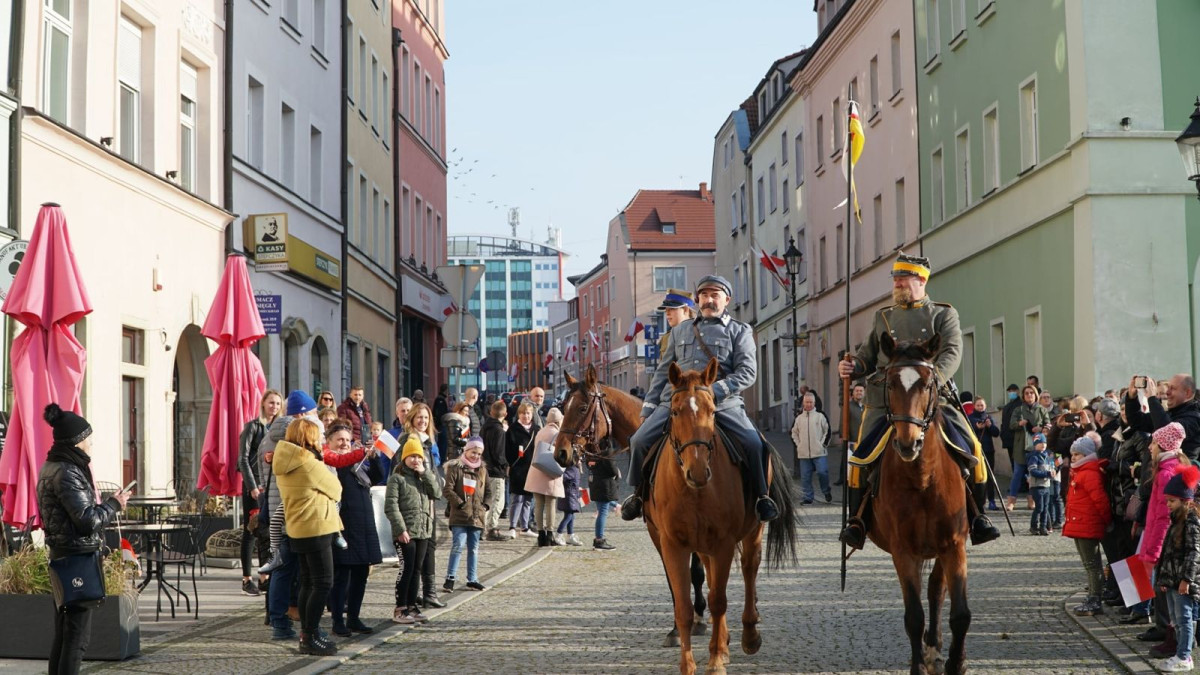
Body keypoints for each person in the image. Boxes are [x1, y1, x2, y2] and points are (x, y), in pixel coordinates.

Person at [837, 254, 999, 548]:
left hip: (931, 398)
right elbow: (867, 355)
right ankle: (857, 522)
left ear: (921, 280)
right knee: (860, 457)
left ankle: (978, 517)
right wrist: (853, 367)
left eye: (903, 278)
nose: (897, 284)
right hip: (885, 400)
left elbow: (951, 352)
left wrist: (930, 379)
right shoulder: (883, 316)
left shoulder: (943, 315)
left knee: (972, 447)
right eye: (896, 279)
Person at [623, 275, 779, 522]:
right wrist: (648, 408)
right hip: (677, 402)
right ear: (697, 300)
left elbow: (747, 372)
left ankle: (761, 496)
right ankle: (638, 495)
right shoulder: (681, 330)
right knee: (639, 440)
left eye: (715, 295)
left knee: (754, 444)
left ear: (726, 299)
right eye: (705, 296)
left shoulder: (740, 331)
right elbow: (664, 371)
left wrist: (713, 392)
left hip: (722, 403)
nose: (709, 300)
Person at [37, 403, 130, 675]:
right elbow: (87, 520)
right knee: (76, 638)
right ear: (77, 441)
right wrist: (114, 504)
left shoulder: (53, 466)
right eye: (88, 439)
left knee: (65, 634)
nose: (91, 444)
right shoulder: (67, 472)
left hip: (64, 555)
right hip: (76, 558)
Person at [272, 418, 342, 657]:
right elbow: (336, 489)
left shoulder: (284, 461)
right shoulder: (309, 463)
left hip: (297, 530)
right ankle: (310, 636)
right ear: (308, 438)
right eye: (318, 436)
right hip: (316, 527)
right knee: (323, 582)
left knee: (308, 582)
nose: (321, 440)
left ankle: (307, 633)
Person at [258, 390, 323, 639]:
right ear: (303, 415)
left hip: (276, 510)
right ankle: (287, 622)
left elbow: (264, 478)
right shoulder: (298, 438)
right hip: (296, 510)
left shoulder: (268, 438)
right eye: (313, 414)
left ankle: (278, 620)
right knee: (296, 571)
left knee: (283, 569)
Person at [324, 419, 382, 637]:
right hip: (343, 523)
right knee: (342, 575)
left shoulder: (358, 460)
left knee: (361, 573)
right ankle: (338, 620)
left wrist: (374, 459)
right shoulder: (329, 463)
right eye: (339, 440)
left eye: (348, 440)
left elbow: (376, 478)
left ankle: (354, 617)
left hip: (364, 522)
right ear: (329, 441)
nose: (344, 444)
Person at [1143, 422, 1192, 657]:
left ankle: (1169, 634)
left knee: (1164, 588)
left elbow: (1163, 515)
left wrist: (1153, 548)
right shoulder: (1169, 466)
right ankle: (1168, 631)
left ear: (1163, 445)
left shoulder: (1165, 472)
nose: (1150, 447)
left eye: (1153, 442)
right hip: (1163, 537)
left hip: (1163, 539)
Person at [391, 402, 445, 609]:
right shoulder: (408, 439)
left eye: (426, 418)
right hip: (412, 502)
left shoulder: (428, 441)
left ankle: (428, 592)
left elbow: (433, 469)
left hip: (427, 499)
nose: (423, 421)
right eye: (419, 417)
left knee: (428, 547)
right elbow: (401, 470)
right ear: (411, 419)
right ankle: (407, 603)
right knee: (413, 559)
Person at [385, 437, 440, 625]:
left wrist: (426, 474)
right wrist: (400, 529)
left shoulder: (423, 477)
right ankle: (400, 607)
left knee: (416, 569)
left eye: (419, 456)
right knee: (406, 569)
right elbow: (391, 506)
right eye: (412, 456)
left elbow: (437, 493)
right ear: (404, 458)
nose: (415, 460)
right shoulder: (397, 479)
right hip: (406, 531)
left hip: (423, 530)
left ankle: (411, 605)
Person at [1154, 464, 1200, 672]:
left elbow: (1194, 553)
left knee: (1184, 618)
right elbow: (1169, 554)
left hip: (1183, 582)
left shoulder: (1191, 522)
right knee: (1176, 619)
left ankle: (1184, 656)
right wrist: (1165, 579)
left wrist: (1186, 580)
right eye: (1167, 501)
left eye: (1172, 501)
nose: (1168, 505)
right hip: (1173, 580)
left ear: (1185, 500)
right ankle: (1181, 652)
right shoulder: (1176, 520)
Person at [238, 389, 282, 597]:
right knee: (251, 531)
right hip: (254, 488)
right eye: (271, 402)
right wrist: (252, 486)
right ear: (263, 403)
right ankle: (247, 579)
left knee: (268, 531)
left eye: (277, 403)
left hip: (272, 487)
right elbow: (243, 458)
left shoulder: (279, 428)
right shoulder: (253, 426)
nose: (274, 406)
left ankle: (264, 577)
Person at [1062, 432, 1111, 616]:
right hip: (1079, 524)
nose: (1074, 457)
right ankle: (1092, 595)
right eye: (1073, 454)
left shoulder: (1089, 473)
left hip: (1087, 525)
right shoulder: (1080, 472)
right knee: (1089, 564)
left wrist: (1106, 521)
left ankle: (1095, 598)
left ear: (1088, 455)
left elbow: (1100, 500)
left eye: (1078, 454)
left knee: (1093, 564)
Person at [443, 437, 492, 592]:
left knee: (474, 548)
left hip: (477, 515)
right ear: (466, 450)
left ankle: (472, 579)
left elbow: (489, 491)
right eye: (473, 452)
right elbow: (448, 489)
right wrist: (460, 503)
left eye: (478, 453)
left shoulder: (482, 470)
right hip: (460, 515)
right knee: (457, 546)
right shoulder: (456, 468)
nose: (476, 456)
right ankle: (450, 578)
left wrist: (485, 506)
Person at [1126, 375, 1200, 461]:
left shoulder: (1194, 419)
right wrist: (1132, 398)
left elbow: (1166, 434)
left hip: (1174, 473)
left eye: (1173, 388)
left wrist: (1152, 398)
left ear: (1187, 393)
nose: (1167, 392)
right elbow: (1136, 421)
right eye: (1168, 387)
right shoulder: (1170, 414)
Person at [1005, 385, 1050, 512]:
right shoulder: (1018, 409)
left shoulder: (1041, 410)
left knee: (1033, 475)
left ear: (1035, 395)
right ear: (1023, 396)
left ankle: (1031, 500)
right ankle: (1011, 501)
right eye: (1027, 393)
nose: (1029, 395)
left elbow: (1048, 424)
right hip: (1021, 446)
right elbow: (1011, 425)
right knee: (1017, 474)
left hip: (1036, 447)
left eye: (1031, 393)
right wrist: (1019, 423)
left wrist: (1041, 429)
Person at [527, 408, 567, 547]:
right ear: (558, 421)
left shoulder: (540, 431)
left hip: (536, 469)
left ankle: (540, 535)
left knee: (538, 504)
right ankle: (549, 534)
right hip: (549, 471)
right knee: (550, 503)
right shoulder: (557, 434)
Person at [790, 392, 831, 505]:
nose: (808, 404)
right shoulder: (798, 419)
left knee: (822, 472)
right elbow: (793, 433)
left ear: (814, 403)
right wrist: (799, 445)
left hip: (819, 452)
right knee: (805, 477)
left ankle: (826, 491)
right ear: (803, 403)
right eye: (806, 402)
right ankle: (808, 497)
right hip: (804, 453)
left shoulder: (820, 416)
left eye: (811, 402)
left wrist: (822, 444)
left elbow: (827, 431)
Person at [506, 401, 539, 538]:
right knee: (516, 498)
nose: (526, 416)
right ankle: (513, 526)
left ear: (532, 414)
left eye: (528, 413)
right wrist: (511, 463)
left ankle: (525, 527)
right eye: (523, 413)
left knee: (528, 499)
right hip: (518, 468)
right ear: (519, 414)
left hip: (532, 469)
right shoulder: (513, 429)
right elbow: (507, 449)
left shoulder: (536, 429)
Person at [481, 399, 510, 541]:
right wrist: (505, 465)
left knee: (486, 500)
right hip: (496, 470)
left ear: (491, 412)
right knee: (497, 500)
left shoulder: (485, 427)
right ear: (505, 413)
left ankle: (481, 527)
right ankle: (492, 528)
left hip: (485, 468)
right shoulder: (499, 430)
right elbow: (499, 453)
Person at [968, 397, 1001, 510]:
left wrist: (990, 426)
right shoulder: (970, 418)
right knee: (977, 477)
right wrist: (976, 428)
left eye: (982, 405)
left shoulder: (988, 417)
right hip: (975, 452)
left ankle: (991, 500)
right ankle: (978, 501)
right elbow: (967, 433)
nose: (980, 407)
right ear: (974, 406)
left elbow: (996, 433)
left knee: (990, 476)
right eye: (978, 405)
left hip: (988, 450)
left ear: (985, 406)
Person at [587, 452, 620, 551]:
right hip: (605, 486)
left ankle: (598, 539)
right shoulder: (606, 452)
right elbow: (613, 471)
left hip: (595, 484)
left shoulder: (590, 452)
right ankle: (599, 540)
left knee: (601, 509)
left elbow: (589, 465)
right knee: (603, 512)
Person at [835, 383, 865, 487]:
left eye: (861, 391)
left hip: (863, 440)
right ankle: (845, 480)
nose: (859, 393)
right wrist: (844, 437)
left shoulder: (866, 407)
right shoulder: (848, 406)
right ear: (853, 393)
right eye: (857, 391)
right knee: (848, 462)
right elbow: (843, 422)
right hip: (851, 440)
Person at [1025, 434, 1053, 535]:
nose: (1043, 445)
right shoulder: (1033, 457)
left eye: (1044, 442)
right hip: (1036, 486)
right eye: (1040, 443)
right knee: (1039, 507)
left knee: (1045, 508)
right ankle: (1034, 526)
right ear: (1035, 444)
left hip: (1046, 485)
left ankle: (1043, 527)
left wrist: (1053, 471)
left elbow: (1052, 467)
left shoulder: (1047, 456)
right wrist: (1047, 474)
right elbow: (1033, 471)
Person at [556, 454, 584, 546]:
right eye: (579, 460)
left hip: (570, 496)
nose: (581, 462)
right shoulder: (573, 469)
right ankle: (558, 534)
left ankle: (570, 535)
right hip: (569, 497)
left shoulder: (572, 469)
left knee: (571, 516)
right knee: (568, 516)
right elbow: (563, 477)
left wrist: (576, 487)